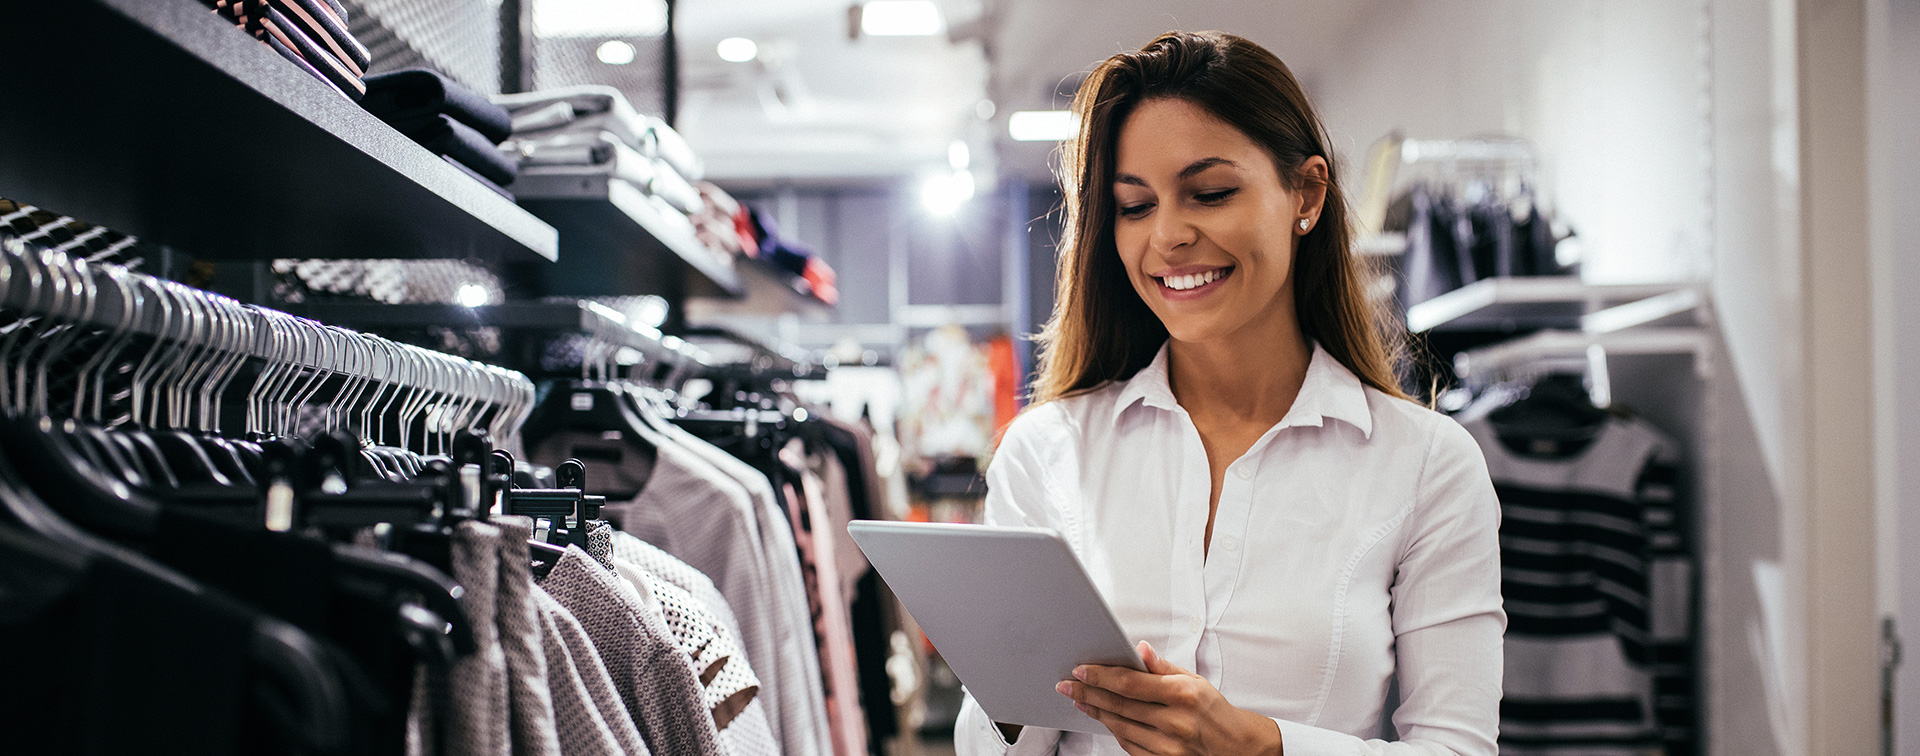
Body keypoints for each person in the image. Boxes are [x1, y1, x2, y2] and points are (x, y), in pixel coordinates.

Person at [955, 30, 1504, 756]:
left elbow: (1458, 749)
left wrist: (1265, 746)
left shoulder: (1427, 464)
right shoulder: (1048, 451)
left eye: (1209, 193)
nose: (1169, 236)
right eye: (1133, 205)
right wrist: (1007, 681)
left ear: (1305, 193)